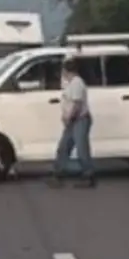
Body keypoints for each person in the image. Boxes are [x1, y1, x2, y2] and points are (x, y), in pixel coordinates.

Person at [51, 56, 95, 188]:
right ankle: (58, 174)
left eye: (63, 70)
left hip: (79, 119)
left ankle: (88, 175)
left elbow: (77, 104)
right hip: (73, 120)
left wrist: (68, 117)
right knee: (64, 147)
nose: (62, 73)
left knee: (82, 148)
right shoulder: (70, 83)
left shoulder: (77, 83)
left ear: (67, 71)